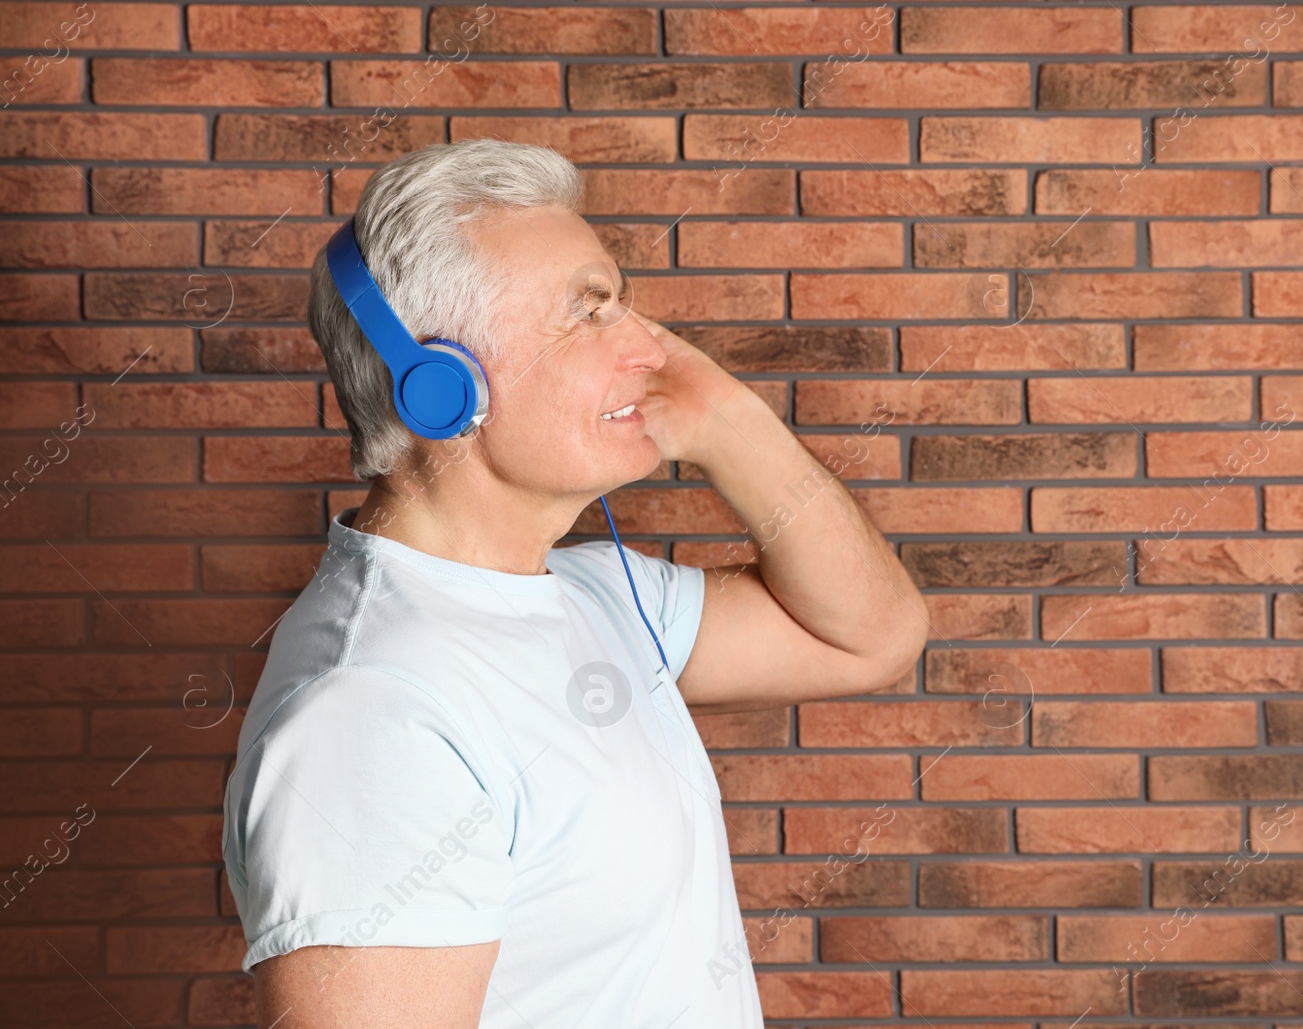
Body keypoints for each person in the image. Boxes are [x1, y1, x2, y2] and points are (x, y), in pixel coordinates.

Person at [220, 139, 929, 1029]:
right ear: (442, 387)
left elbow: (872, 634)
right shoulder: (371, 714)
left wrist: (731, 423)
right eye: (590, 312)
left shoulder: (595, 595)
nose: (652, 348)